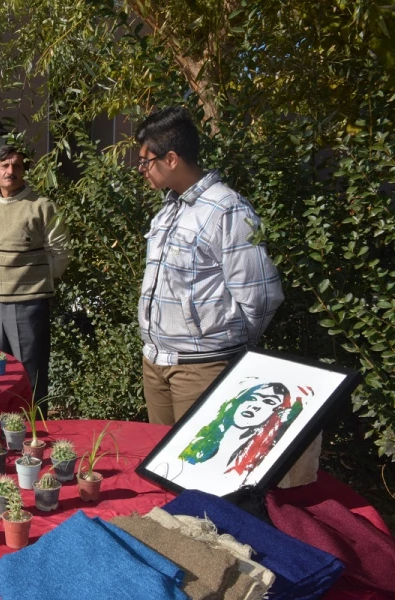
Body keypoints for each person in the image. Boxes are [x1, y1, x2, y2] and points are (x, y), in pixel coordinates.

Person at [136, 106, 284, 425]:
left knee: (195, 465)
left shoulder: (226, 210)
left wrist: (224, 345)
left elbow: (261, 296)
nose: (140, 169)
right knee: (159, 463)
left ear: (171, 159)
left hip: (201, 368)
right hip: (155, 363)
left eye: (145, 161)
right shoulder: (168, 211)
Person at [0, 145, 71, 415]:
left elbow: (61, 252)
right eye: (4, 165)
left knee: (31, 371)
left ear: (24, 171)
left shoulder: (41, 206)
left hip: (30, 302)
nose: (10, 171)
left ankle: (33, 429)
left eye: (17, 166)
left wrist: (36, 280)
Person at [179, 382, 309, 478]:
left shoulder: (258, 456)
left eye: (269, 402)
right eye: (252, 398)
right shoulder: (205, 438)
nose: (255, 405)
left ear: (277, 413)